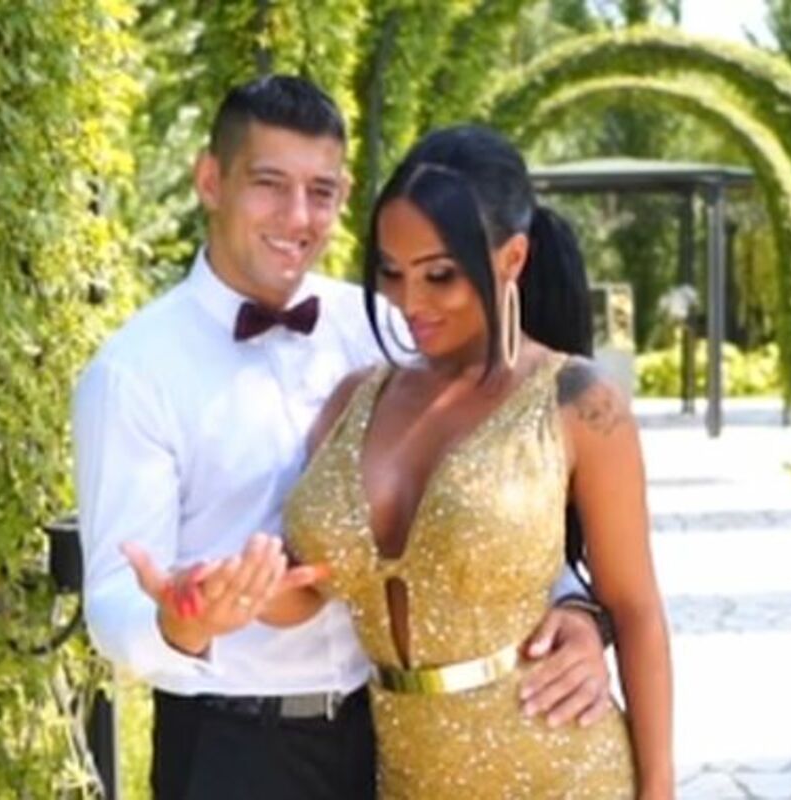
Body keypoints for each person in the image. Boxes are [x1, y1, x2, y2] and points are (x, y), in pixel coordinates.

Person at [72, 76, 616, 799]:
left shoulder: (387, 326)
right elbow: (112, 603)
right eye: (269, 184)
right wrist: (181, 624)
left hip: (390, 742)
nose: (297, 217)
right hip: (233, 754)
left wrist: (578, 610)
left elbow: (492, 493)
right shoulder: (133, 373)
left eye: (320, 191)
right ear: (210, 181)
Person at [269, 125, 675, 798]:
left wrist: (659, 791)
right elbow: (305, 588)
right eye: (391, 272)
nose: (411, 302)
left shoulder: (580, 403)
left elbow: (635, 608)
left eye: (439, 275)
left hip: (563, 772)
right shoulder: (354, 402)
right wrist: (236, 594)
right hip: (406, 777)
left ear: (512, 258)